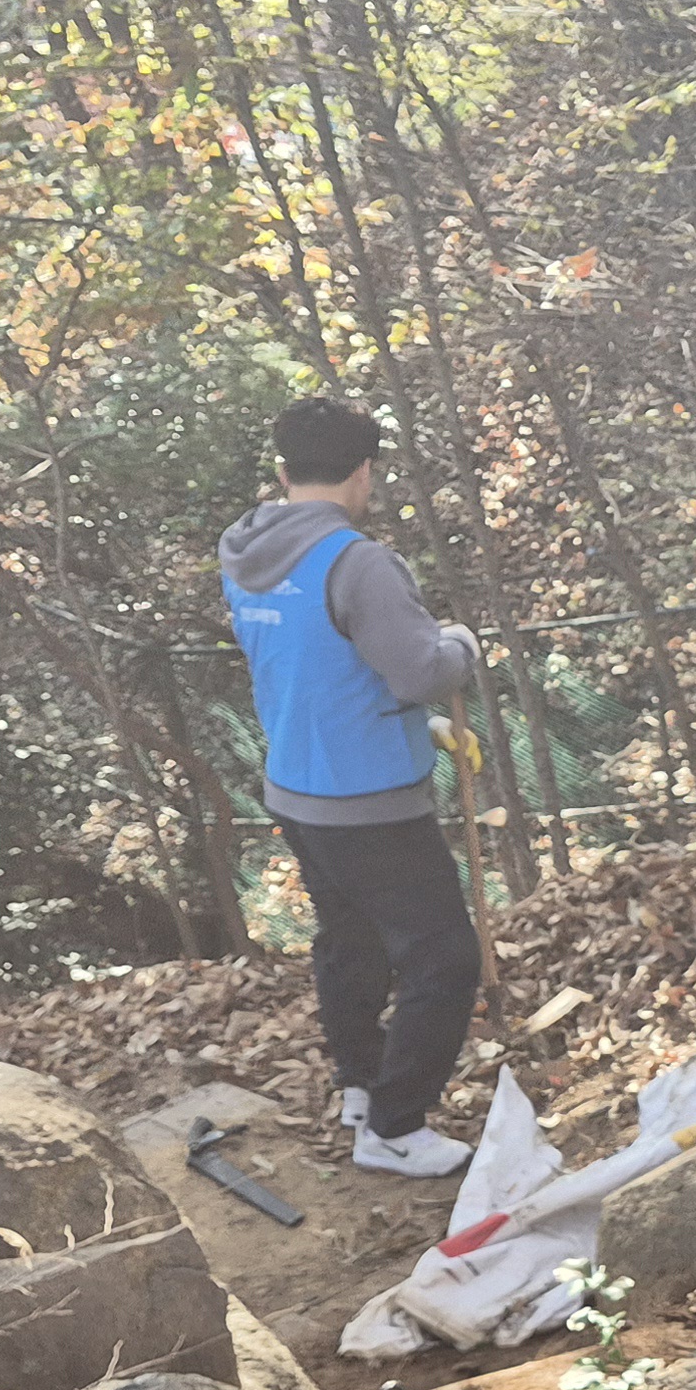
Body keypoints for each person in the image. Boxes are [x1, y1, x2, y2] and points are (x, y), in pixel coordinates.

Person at [220, 398, 485, 1179]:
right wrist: (461, 643)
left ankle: (361, 1088)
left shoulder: (243, 553)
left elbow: (311, 666)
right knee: (444, 957)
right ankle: (398, 1127)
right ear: (364, 471)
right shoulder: (356, 560)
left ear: (282, 472)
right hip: (370, 799)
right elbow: (421, 670)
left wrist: (411, 725)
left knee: (349, 942)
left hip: (297, 786)